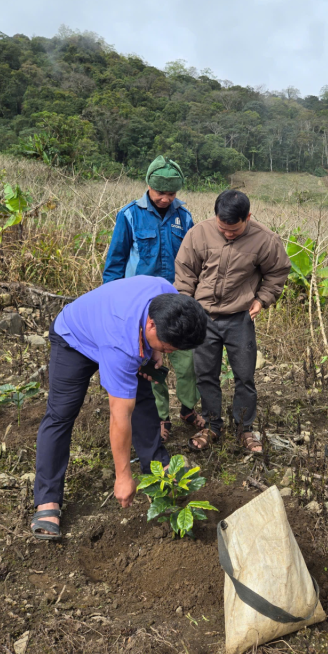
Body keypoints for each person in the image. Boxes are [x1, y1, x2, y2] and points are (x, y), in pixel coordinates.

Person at [31, 276, 207, 540]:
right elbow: (119, 416)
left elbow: (157, 339)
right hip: (75, 337)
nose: (169, 352)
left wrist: (157, 350)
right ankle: (47, 499)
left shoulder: (167, 295)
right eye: (168, 347)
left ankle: (158, 468)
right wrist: (123, 476)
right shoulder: (121, 347)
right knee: (61, 414)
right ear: (151, 325)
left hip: (125, 331)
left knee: (144, 399)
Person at [175, 189, 291, 454]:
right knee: (205, 374)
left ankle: (244, 429)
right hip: (203, 317)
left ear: (248, 217)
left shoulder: (265, 239)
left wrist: (262, 299)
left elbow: (278, 271)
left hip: (239, 318)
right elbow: (185, 272)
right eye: (222, 228)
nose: (227, 234)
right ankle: (212, 425)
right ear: (215, 216)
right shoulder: (198, 234)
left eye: (234, 231)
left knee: (244, 376)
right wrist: (187, 304)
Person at [103, 155, 204, 441]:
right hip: (141, 306)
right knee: (150, 363)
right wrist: (114, 302)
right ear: (149, 186)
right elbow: (115, 262)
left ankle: (187, 408)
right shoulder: (129, 215)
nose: (165, 198)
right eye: (161, 193)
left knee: (186, 361)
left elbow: (193, 260)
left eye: (171, 193)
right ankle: (161, 417)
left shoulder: (183, 217)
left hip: (177, 300)